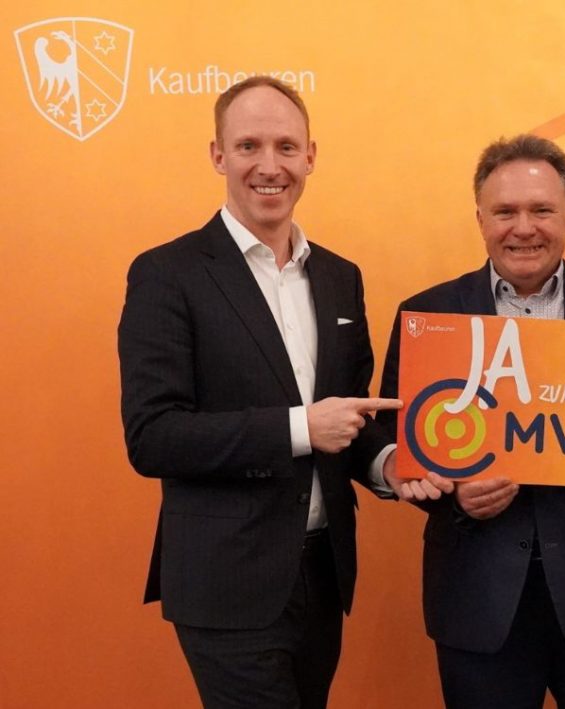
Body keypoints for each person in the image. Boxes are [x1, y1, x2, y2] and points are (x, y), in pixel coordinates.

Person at [118, 76, 401, 708]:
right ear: (218, 155)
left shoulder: (341, 277)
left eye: (286, 147)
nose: (269, 166)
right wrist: (300, 428)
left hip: (322, 576)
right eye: (248, 146)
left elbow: (349, 416)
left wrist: (389, 465)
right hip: (226, 583)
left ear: (310, 157)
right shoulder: (167, 274)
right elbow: (153, 436)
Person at [378, 134, 565, 709]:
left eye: (542, 210)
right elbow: (402, 448)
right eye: (505, 212)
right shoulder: (428, 316)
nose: (524, 228)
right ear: (480, 219)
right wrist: (455, 496)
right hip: (477, 600)